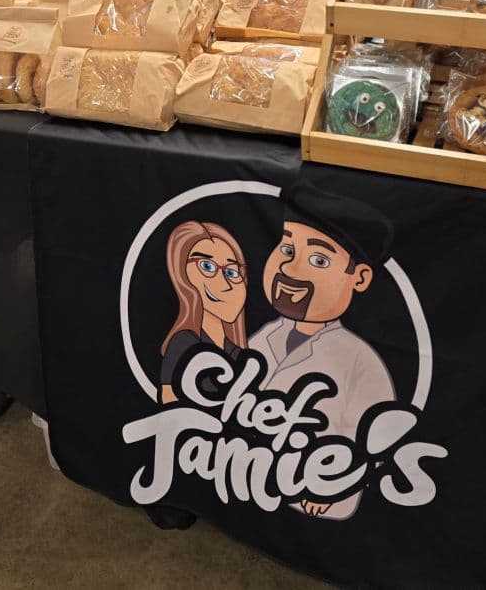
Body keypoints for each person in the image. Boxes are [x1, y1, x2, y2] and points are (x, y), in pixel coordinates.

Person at [248, 185, 396, 520]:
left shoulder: (360, 360)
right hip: (252, 476)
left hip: (318, 495)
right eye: (287, 249)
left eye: (318, 259)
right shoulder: (266, 335)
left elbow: (371, 438)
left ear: (359, 278)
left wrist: (331, 485)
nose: (291, 268)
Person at [159, 221, 248, 403]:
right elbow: (169, 406)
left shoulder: (238, 353)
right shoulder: (184, 344)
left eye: (232, 272)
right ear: (182, 275)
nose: (225, 284)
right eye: (207, 266)